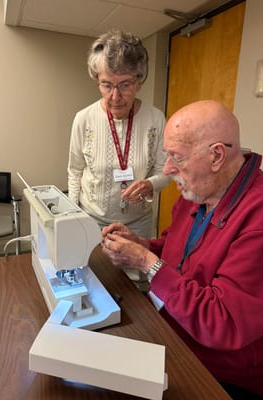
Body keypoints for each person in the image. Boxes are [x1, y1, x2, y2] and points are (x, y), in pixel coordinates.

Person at [101, 100, 263, 400]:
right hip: (173, 333)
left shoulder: (257, 218)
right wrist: (143, 246)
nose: (166, 169)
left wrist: (147, 263)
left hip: (220, 374)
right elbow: (175, 250)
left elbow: (221, 322)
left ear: (216, 156)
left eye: (177, 157)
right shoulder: (199, 189)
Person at [67, 29, 170, 239]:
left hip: (138, 224)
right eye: (106, 85)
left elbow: (165, 171)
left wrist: (149, 184)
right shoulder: (84, 119)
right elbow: (75, 171)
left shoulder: (156, 119)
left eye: (124, 85)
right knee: (93, 271)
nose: (115, 96)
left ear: (139, 82)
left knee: (133, 271)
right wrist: (73, 214)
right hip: (90, 220)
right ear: (98, 81)